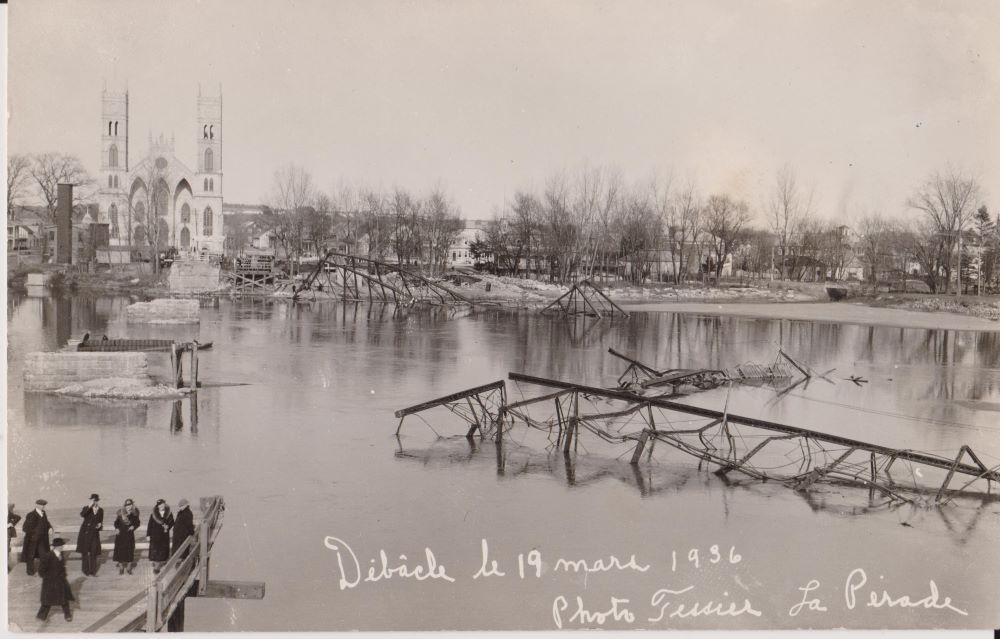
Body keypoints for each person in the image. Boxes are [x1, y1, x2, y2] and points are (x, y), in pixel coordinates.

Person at [36, 538, 74, 622]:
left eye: (62, 546)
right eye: (61, 546)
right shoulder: (48, 556)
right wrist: (48, 578)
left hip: (61, 580)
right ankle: (41, 616)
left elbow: (62, 567)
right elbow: (41, 571)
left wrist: (63, 575)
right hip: (50, 582)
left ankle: (67, 615)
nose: (62, 547)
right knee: (47, 600)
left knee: (64, 599)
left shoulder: (61, 554)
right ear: (56, 547)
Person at [22, 499, 52, 576]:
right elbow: (25, 528)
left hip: (42, 540)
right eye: (42, 505)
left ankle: (42, 572)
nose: (43, 506)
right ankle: (30, 572)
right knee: (30, 556)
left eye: (44, 505)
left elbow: (46, 522)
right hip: (33, 540)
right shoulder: (31, 514)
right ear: (37, 505)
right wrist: (34, 534)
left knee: (43, 555)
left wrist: (50, 528)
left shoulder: (43, 513)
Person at [76, 494, 104, 576]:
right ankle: (85, 570)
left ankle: (93, 571)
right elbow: (82, 514)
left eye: (95, 500)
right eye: (92, 500)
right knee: (85, 553)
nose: (94, 502)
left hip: (95, 534)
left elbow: (101, 521)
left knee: (93, 552)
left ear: (97, 501)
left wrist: (100, 525)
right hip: (85, 533)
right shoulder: (86, 508)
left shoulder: (101, 510)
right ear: (90, 500)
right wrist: (89, 506)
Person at [113, 499, 141, 575]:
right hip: (120, 535)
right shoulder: (120, 513)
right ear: (125, 506)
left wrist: (133, 526)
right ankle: (121, 568)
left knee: (130, 551)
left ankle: (129, 568)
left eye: (130, 505)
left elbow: (138, 523)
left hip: (129, 535)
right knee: (119, 552)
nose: (129, 506)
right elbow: (116, 523)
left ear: (132, 505)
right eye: (127, 505)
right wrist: (116, 528)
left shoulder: (135, 513)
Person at [147, 499, 173, 574]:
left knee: (162, 552)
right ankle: (156, 567)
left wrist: (168, 526)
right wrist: (148, 535)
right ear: (157, 506)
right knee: (156, 551)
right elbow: (150, 525)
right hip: (155, 535)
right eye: (160, 505)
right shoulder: (153, 514)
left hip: (164, 535)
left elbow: (172, 522)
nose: (162, 506)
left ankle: (158, 565)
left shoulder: (169, 513)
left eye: (163, 504)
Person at [8, 504, 21, 572]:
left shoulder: (7, 512)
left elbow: (18, 517)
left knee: (6, 549)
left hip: (6, 533)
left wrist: (11, 524)